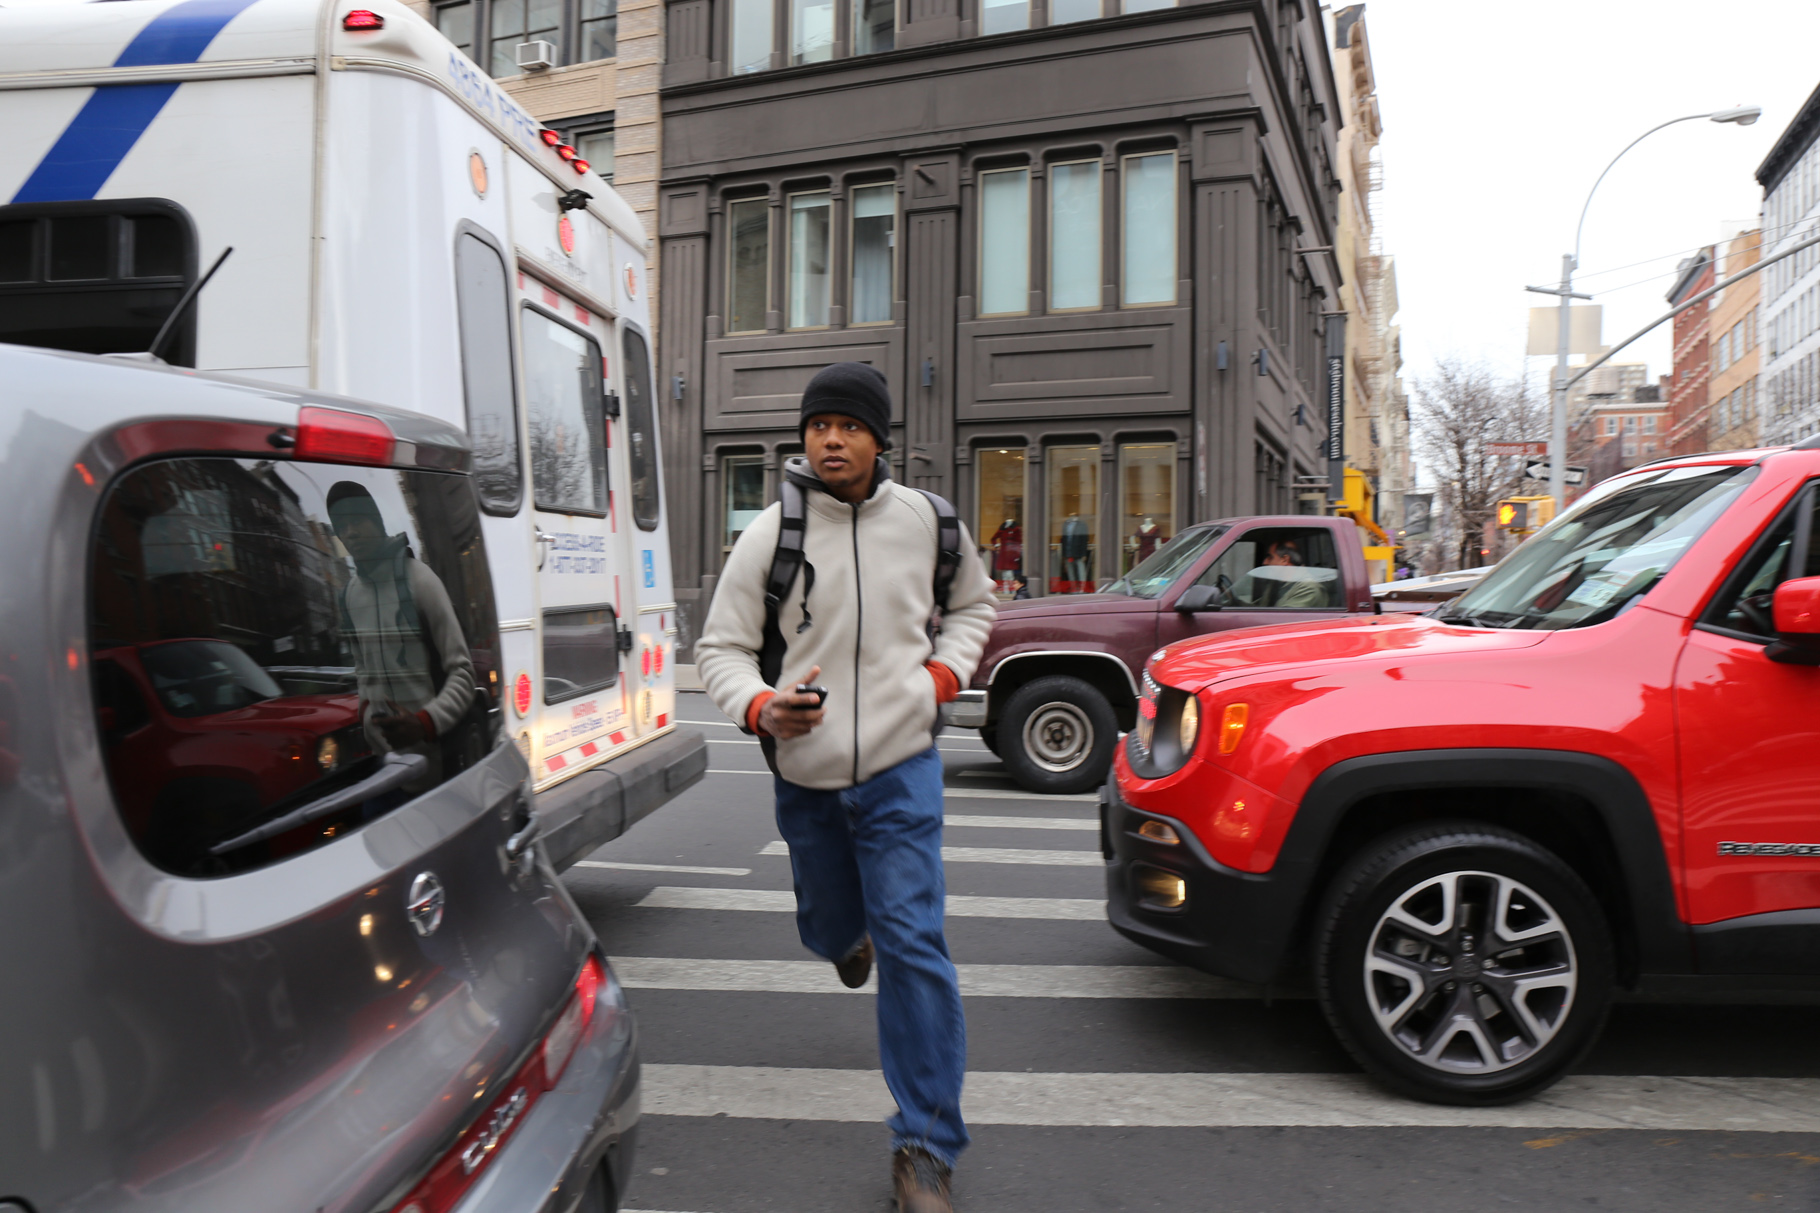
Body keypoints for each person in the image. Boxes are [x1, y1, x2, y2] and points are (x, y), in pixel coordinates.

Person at [696, 362, 997, 1213]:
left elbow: (975, 607)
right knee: (833, 924)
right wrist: (758, 704)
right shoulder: (771, 534)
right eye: (819, 424)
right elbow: (717, 648)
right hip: (810, 777)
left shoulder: (928, 523)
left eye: (850, 425)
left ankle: (926, 1146)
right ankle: (840, 937)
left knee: (915, 944)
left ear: (878, 438)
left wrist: (942, 675)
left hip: (903, 768)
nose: (831, 438)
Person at [327, 482, 476, 785]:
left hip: (437, 771)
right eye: (342, 526)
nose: (351, 532)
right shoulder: (349, 597)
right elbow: (364, 673)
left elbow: (463, 672)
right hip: (383, 768)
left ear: (377, 522)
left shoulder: (421, 581)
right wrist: (369, 719)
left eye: (357, 520)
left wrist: (425, 724)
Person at [1255, 538, 1330, 608]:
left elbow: (1282, 618)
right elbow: (1258, 608)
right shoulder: (1275, 584)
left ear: (1284, 560)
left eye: (1270, 557)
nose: (1265, 562)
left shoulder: (1309, 589)